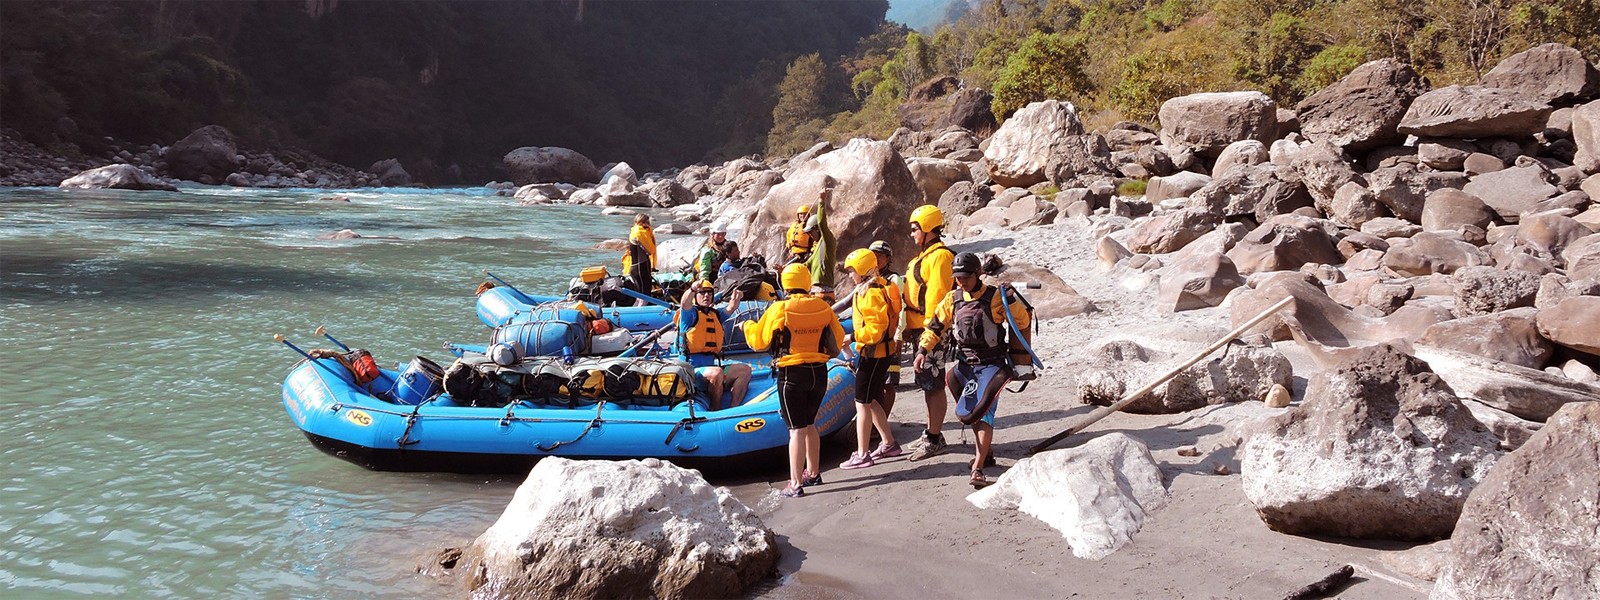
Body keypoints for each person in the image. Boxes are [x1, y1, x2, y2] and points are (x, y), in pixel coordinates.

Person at [914, 252, 1034, 488]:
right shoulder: (952, 299)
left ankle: (978, 467)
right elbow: (935, 327)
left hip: (993, 366)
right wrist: (922, 351)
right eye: (957, 277)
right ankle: (986, 454)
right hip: (965, 367)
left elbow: (1022, 322)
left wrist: (1011, 301)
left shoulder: (996, 298)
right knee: (970, 412)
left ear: (978, 273)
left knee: (983, 413)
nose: (961, 281)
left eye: (966, 276)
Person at [742, 263, 845, 498]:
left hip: (792, 375)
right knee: (810, 424)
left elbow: (759, 341)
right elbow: (837, 341)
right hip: (819, 372)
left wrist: (747, 326)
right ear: (806, 282)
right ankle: (814, 473)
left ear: (785, 284)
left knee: (796, 430)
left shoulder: (780, 309)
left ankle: (795, 484)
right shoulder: (822, 306)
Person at [839, 249, 902, 469]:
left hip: (874, 354)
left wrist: (852, 337)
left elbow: (876, 328)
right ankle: (889, 443)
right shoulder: (878, 287)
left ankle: (862, 453)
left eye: (852, 271)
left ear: (863, 271)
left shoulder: (871, 293)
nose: (850, 275)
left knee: (862, 403)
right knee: (873, 399)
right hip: (880, 353)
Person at [903, 205, 956, 461]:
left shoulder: (940, 257)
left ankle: (935, 438)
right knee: (927, 385)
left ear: (927, 229)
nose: (911, 234)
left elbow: (937, 300)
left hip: (931, 330)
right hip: (919, 329)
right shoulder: (924, 257)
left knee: (934, 386)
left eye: (915, 229)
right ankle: (932, 432)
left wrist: (928, 338)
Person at [676, 279, 751, 410]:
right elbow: (684, 303)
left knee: (744, 370)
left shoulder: (715, 314)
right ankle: (716, 409)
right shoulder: (689, 315)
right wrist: (692, 289)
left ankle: (734, 409)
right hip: (693, 373)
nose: (706, 296)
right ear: (696, 296)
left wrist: (736, 299)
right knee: (716, 373)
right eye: (702, 293)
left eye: (709, 293)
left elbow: (731, 308)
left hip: (711, 369)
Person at [868, 239, 906, 404]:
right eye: (873, 256)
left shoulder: (894, 279)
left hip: (890, 336)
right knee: (874, 382)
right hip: (874, 337)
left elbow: (902, 308)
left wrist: (898, 335)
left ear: (888, 258)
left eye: (880, 256)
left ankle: (883, 419)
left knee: (888, 383)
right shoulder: (868, 281)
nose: (876, 260)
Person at [622, 213, 657, 302]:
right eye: (647, 222)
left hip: (639, 268)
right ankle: (639, 313)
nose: (649, 225)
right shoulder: (640, 233)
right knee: (644, 296)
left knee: (640, 295)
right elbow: (650, 250)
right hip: (640, 269)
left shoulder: (635, 231)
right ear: (641, 223)